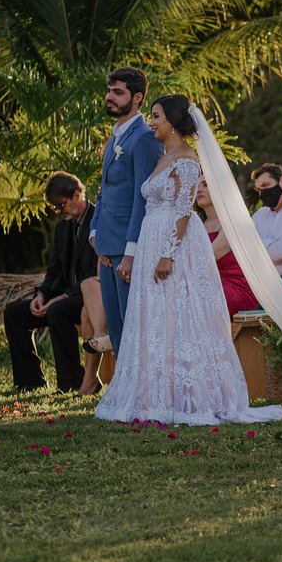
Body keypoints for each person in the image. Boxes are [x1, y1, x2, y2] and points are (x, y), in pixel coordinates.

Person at [94, 95, 282, 425]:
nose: (151, 122)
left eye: (156, 116)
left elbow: (184, 209)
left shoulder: (186, 159)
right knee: (156, 317)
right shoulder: (162, 157)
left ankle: (190, 395)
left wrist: (167, 254)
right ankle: (157, 393)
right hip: (152, 236)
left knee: (180, 315)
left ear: (172, 122)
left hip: (173, 243)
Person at [89, 67, 164, 355]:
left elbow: (143, 199)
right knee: (117, 329)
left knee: (134, 329)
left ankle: (138, 383)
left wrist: (131, 252)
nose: (109, 97)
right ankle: (123, 382)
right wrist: (94, 233)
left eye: (118, 92)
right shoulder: (114, 138)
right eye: (109, 91)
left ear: (137, 98)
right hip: (106, 247)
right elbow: (104, 190)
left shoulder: (145, 138)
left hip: (129, 250)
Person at [3, 172, 98, 393]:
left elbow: (94, 271)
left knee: (57, 310)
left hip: (91, 296)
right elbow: (54, 270)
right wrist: (41, 295)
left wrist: (61, 298)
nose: (58, 211)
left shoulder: (98, 221)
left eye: (60, 205)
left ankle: (72, 382)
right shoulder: (62, 228)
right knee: (14, 314)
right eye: (55, 207)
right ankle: (30, 381)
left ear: (76, 195)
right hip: (62, 296)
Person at [196, 177, 259, 316]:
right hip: (207, 284)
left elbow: (208, 257)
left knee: (194, 298)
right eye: (197, 185)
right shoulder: (196, 224)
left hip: (236, 287)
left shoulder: (234, 221)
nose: (198, 189)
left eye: (205, 185)